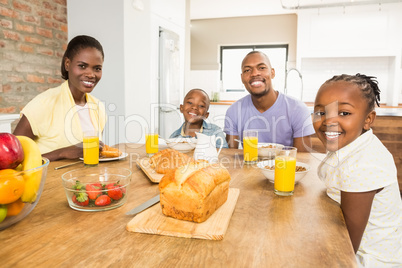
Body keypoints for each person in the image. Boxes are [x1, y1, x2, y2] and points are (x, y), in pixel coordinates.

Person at [313, 73, 402, 267]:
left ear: (368, 119)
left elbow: (345, 247)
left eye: (343, 113)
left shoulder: (362, 165)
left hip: (368, 260)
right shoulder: (353, 146)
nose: (329, 121)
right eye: (321, 112)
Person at [13, 35, 106, 161]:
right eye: (82, 66)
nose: (91, 74)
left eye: (97, 68)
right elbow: (13, 159)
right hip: (49, 180)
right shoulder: (43, 104)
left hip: (88, 179)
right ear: (67, 64)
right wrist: (62, 153)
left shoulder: (99, 107)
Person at [224, 51, 314, 151]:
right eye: (247, 70)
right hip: (248, 166)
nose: (254, 73)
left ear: (272, 73)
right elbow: (230, 156)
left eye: (261, 68)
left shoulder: (298, 109)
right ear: (242, 78)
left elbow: (302, 158)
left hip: (284, 166)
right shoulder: (233, 111)